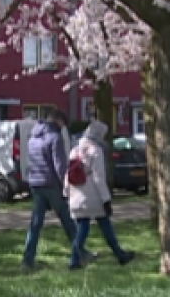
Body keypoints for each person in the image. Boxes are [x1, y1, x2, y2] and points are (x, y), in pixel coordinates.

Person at [21, 109, 95, 270]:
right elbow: (60, 166)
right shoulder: (55, 138)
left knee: (35, 224)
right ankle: (80, 253)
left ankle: (27, 260)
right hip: (52, 185)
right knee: (68, 221)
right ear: (58, 120)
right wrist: (68, 185)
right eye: (63, 124)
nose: (63, 128)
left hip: (36, 184)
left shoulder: (33, 138)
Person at [65, 120, 135, 270]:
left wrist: (66, 192)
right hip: (93, 197)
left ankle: (74, 260)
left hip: (76, 195)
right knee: (104, 225)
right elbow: (98, 178)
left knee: (82, 228)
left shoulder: (74, 150)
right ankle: (119, 254)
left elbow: (68, 175)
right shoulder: (95, 151)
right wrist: (106, 199)